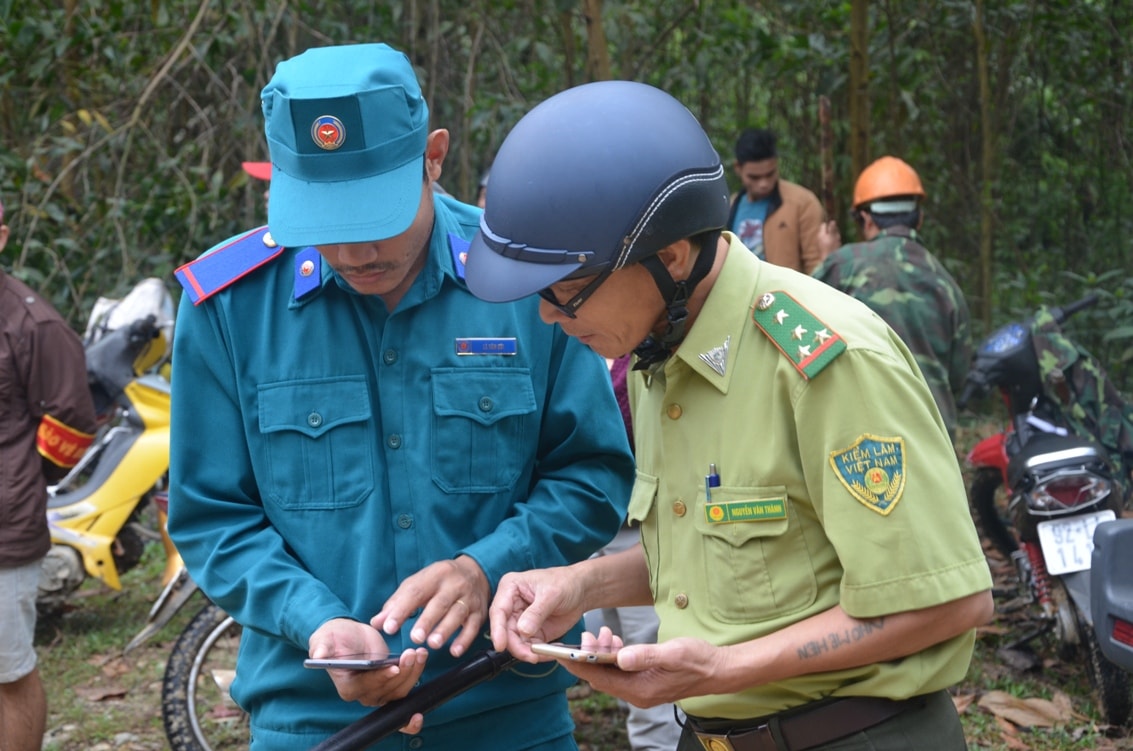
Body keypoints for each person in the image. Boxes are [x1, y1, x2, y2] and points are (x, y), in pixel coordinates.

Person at [466, 80, 995, 751]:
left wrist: (724, 666)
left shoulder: (824, 359)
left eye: (565, 292)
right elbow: (713, 549)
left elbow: (945, 601)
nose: (547, 314)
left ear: (669, 257)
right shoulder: (663, 350)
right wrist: (579, 583)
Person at [167, 43, 634, 751]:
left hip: (506, 710)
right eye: (326, 223)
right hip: (314, 721)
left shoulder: (525, 280)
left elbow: (594, 474)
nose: (354, 252)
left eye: (375, 215)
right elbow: (212, 517)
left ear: (434, 156)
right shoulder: (229, 308)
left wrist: (488, 565)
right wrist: (315, 621)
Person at [0, 196, 98, 751]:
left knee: (8, 672)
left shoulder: (32, 321)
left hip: (5, 532)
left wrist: (21, 476)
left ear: (3, 237)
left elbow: (74, 420)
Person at [812, 156, 972, 441]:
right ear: (919, 218)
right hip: (933, 437)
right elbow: (959, 376)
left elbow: (802, 329)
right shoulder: (946, 283)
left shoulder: (843, 265)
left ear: (866, 218)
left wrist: (827, 260)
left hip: (866, 437)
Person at [582, 354, 684, 751]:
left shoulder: (644, 347)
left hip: (643, 528)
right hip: (596, 530)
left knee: (651, 665)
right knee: (607, 654)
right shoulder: (583, 343)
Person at [727, 127, 828, 274]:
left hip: (784, 294)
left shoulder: (802, 203)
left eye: (770, 174)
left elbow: (816, 264)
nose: (764, 184)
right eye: (754, 177)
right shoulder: (730, 205)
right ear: (738, 168)